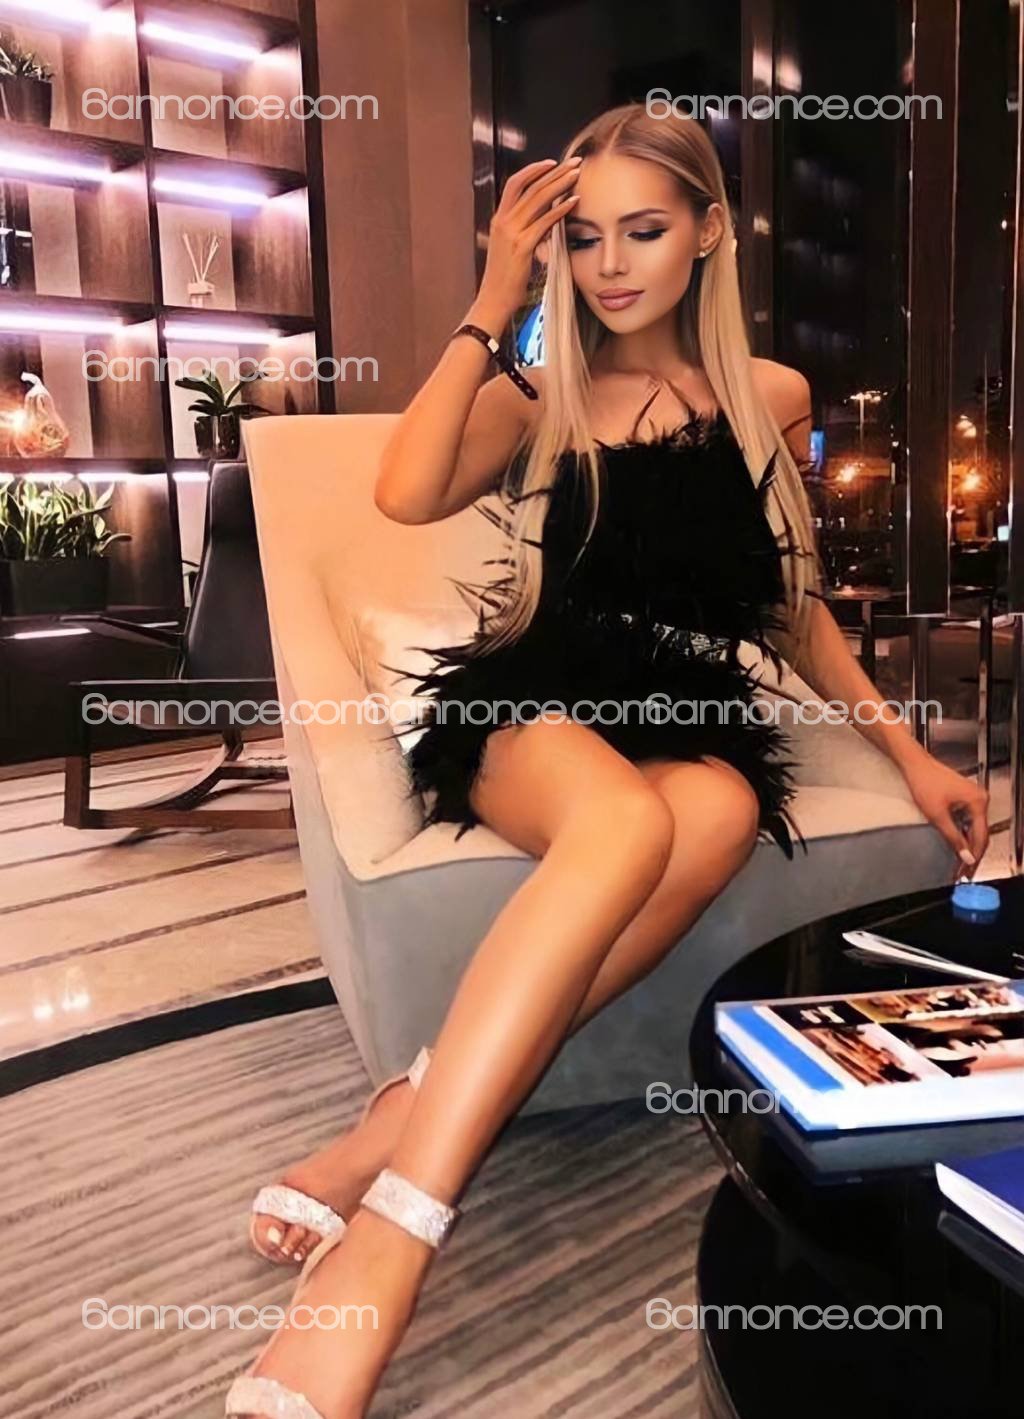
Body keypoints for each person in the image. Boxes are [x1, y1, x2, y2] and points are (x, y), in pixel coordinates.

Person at [227, 102, 990, 1419]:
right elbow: (404, 491)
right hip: (535, 698)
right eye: (583, 239)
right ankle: (399, 1232)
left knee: (711, 816)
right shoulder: (540, 396)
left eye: (644, 230)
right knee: (626, 828)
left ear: (709, 233)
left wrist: (909, 754)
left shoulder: (772, 399)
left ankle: (405, 1110)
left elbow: (793, 608)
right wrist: (494, 299)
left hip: (692, 713)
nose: (613, 264)